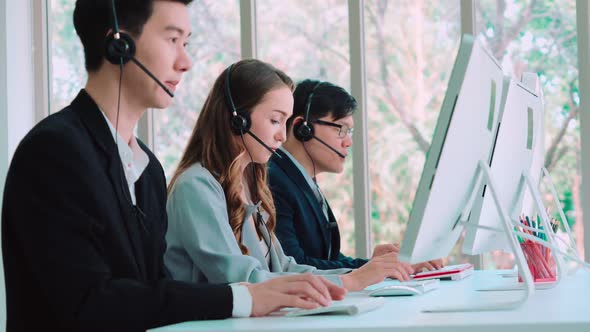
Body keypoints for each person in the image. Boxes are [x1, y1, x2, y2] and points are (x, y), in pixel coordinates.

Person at [1, 2, 344, 331]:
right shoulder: (56, 151)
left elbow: (154, 292)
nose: (185, 61)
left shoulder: (147, 170)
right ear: (118, 43)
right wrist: (242, 297)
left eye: (187, 43)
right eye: (172, 39)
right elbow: (88, 303)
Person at [165, 59, 414, 293]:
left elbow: (285, 269)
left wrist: (360, 274)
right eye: (275, 120)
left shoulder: (250, 184)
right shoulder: (196, 187)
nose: (282, 137)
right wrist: (350, 280)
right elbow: (241, 281)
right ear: (237, 120)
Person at [268, 79, 444, 271]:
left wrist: (375, 265)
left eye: (349, 131)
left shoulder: (302, 181)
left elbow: (325, 258)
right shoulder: (274, 180)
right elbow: (294, 265)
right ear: (303, 128)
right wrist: (370, 269)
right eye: (341, 129)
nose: (349, 142)